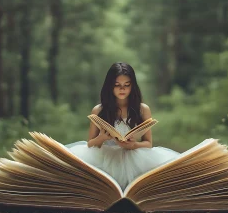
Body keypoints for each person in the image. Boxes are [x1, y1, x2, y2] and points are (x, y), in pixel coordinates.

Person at [66, 62, 179, 190]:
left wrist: (134, 145)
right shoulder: (98, 110)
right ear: (110, 86)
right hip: (105, 158)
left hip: (134, 157)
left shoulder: (142, 109)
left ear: (132, 86)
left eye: (127, 85)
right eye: (117, 85)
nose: (122, 89)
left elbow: (148, 144)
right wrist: (101, 138)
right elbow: (90, 144)